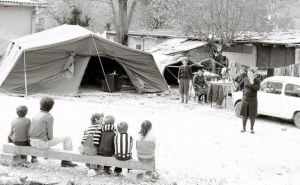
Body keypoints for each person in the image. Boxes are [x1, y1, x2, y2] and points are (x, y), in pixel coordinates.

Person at [28, 97, 77, 167]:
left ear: (40, 105)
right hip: (41, 144)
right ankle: (66, 161)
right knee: (67, 137)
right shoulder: (49, 117)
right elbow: (50, 137)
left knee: (44, 135)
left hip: (32, 142)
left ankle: (35, 158)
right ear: (51, 107)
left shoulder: (36, 115)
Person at [239, 69, 261, 134]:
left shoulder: (257, 80)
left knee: (252, 115)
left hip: (253, 100)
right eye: (248, 73)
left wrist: (251, 83)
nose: (249, 75)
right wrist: (242, 91)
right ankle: (244, 128)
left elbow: (257, 88)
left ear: (253, 74)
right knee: (244, 115)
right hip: (245, 99)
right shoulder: (245, 79)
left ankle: (251, 129)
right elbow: (240, 85)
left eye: (250, 73)